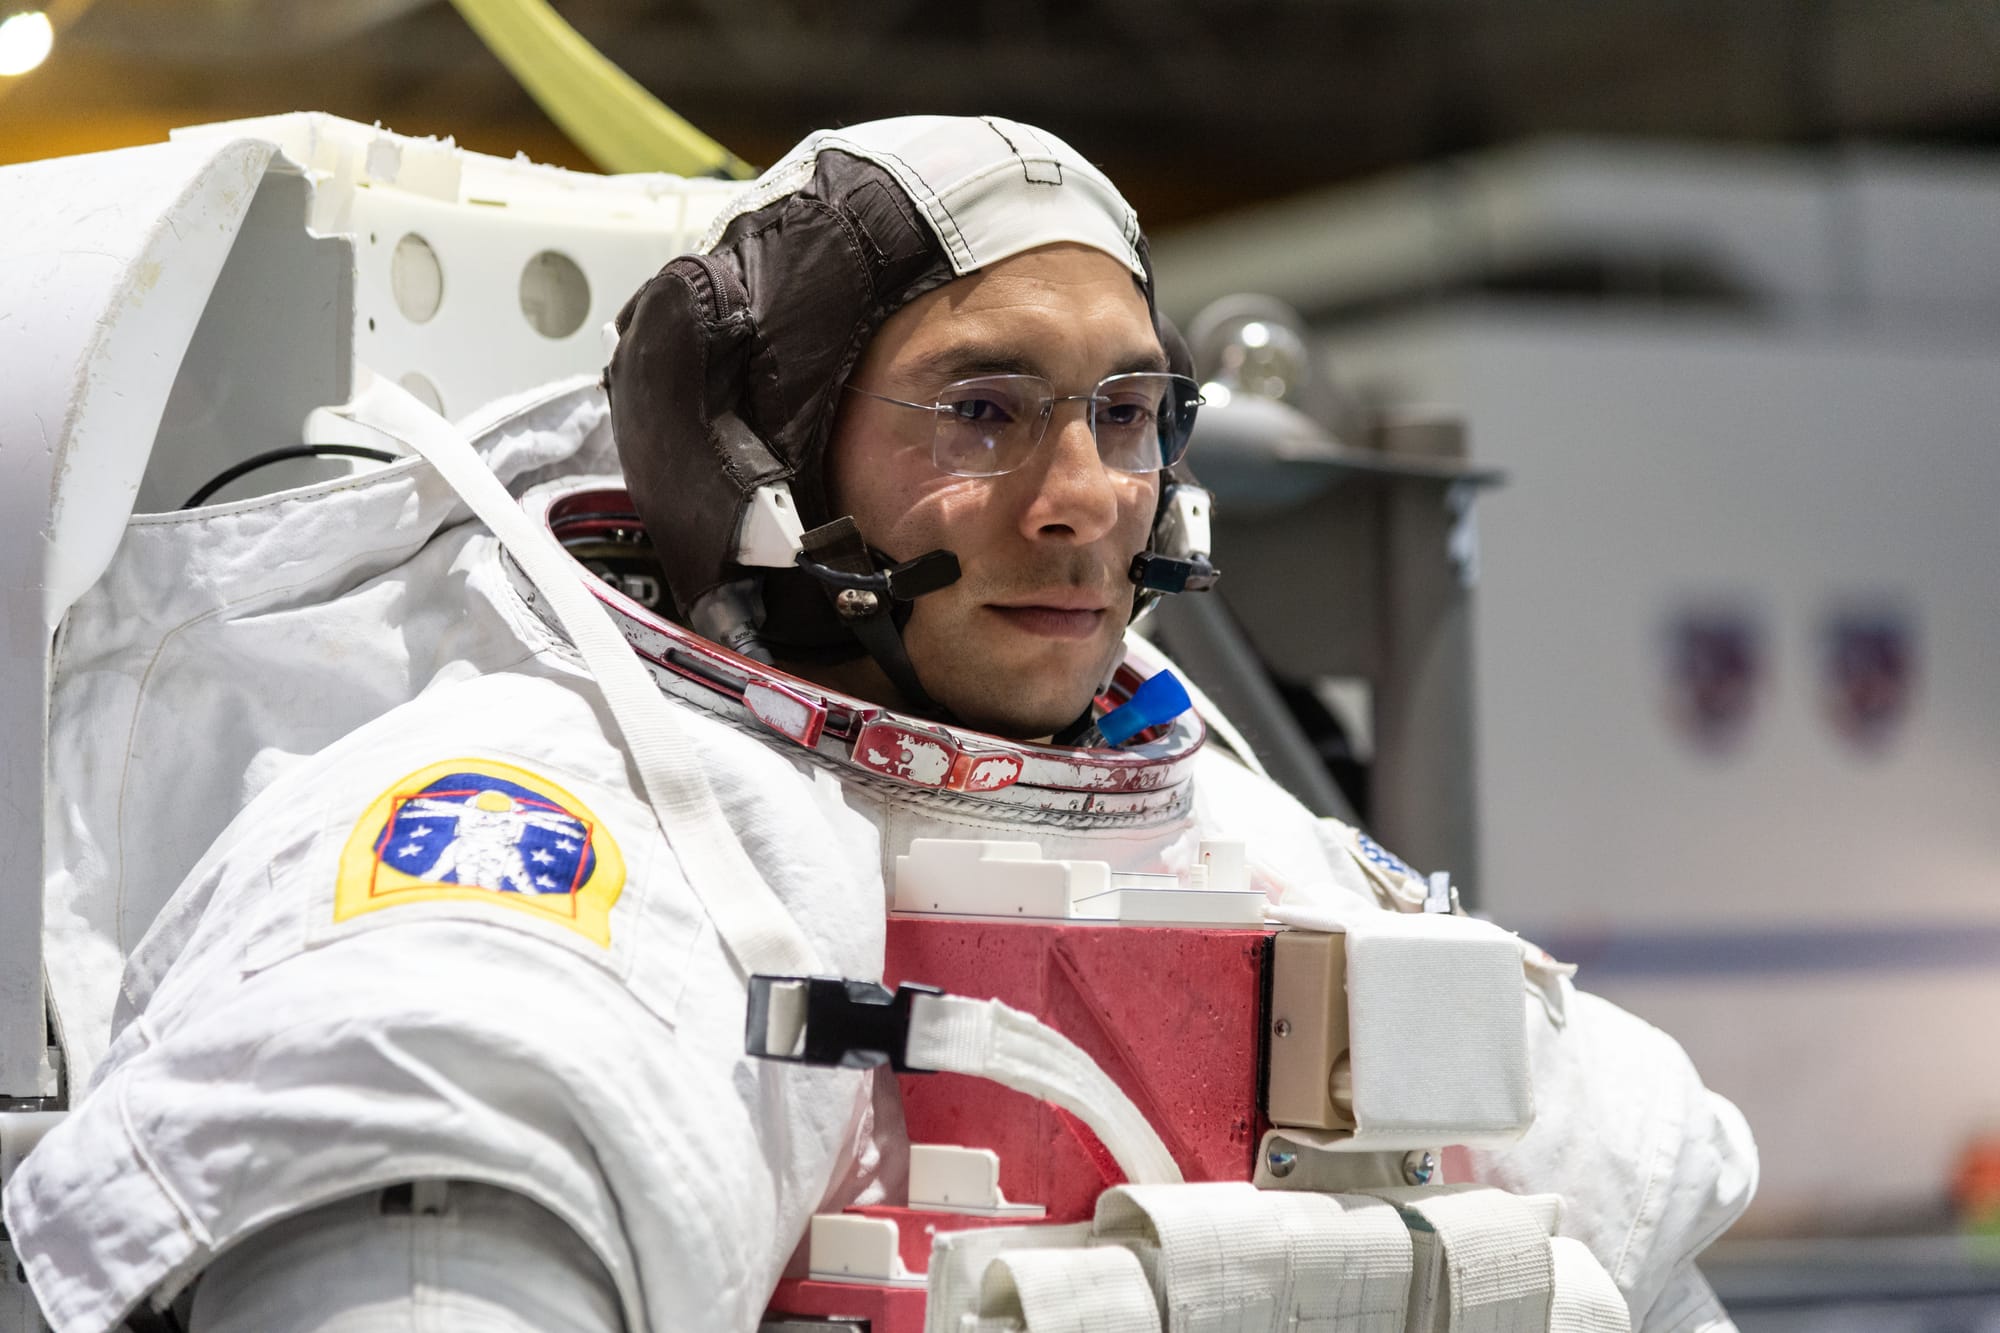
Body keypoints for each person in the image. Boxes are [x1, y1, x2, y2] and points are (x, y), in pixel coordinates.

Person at [2, 115, 1755, 1333]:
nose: (1086, 500)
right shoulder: (569, 821)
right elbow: (433, 1142)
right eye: (983, 410)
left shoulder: (1265, 853)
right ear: (763, 453)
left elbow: (1630, 1251)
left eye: (1130, 413)